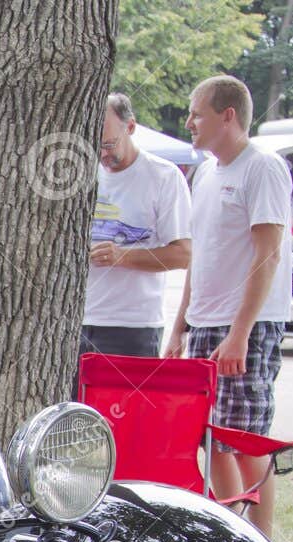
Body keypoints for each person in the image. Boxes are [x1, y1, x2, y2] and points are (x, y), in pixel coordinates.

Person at [166, 74, 293, 538]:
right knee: (209, 440)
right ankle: (230, 534)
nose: (190, 122)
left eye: (197, 113)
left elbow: (269, 253)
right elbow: (201, 256)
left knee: (244, 439)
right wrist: (179, 324)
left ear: (228, 115)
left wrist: (241, 331)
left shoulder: (263, 167)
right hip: (204, 321)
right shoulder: (204, 172)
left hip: (248, 325)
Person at [82, 92, 191, 357]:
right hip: (77, 320)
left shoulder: (163, 176)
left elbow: (183, 255)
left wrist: (122, 256)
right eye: (94, 145)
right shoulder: (83, 172)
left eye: (108, 144)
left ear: (130, 127)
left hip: (133, 325)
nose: (102, 154)